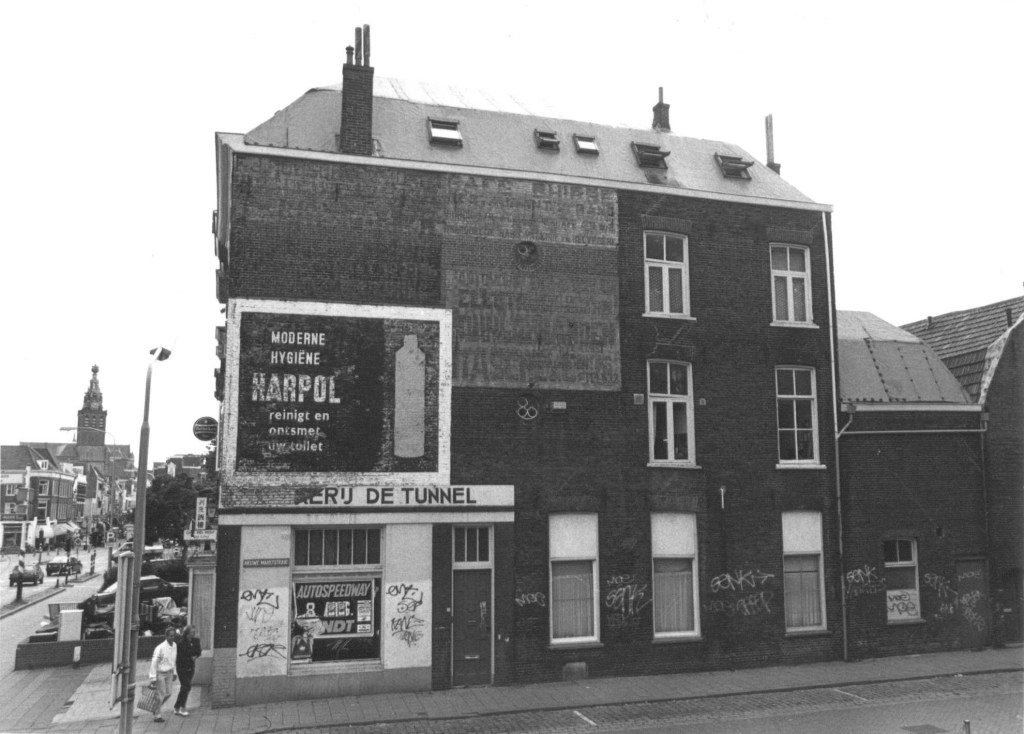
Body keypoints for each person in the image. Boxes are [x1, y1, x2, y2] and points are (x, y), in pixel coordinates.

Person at [148, 627, 178, 722]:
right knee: (161, 694)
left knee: (169, 693)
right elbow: (154, 661)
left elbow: (174, 659)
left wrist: (174, 672)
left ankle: (155, 707)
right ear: (166, 636)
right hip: (160, 673)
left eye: (174, 636)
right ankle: (157, 715)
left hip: (169, 673)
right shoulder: (160, 648)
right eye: (170, 636)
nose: (172, 638)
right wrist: (153, 677)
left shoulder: (175, 645)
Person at [173, 626, 201, 716]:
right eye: (192, 632)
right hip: (182, 667)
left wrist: (195, 657)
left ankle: (177, 707)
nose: (194, 634)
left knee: (185, 687)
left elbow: (198, 652)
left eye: (194, 632)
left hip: (191, 667)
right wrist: (190, 658)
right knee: (186, 686)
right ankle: (182, 708)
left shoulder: (196, 641)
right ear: (187, 634)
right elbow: (180, 657)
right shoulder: (180, 643)